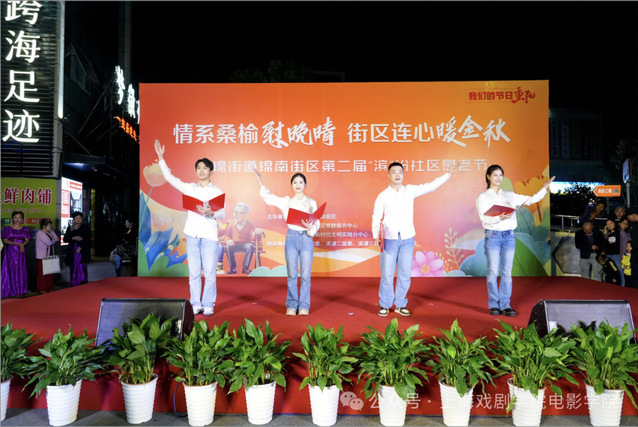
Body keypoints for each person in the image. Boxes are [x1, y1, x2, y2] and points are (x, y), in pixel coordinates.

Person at [372, 162, 457, 317]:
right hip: (389, 239)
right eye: (394, 172)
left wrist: (448, 174)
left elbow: (431, 186)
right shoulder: (383, 195)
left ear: (403, 174)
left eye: (400, 172)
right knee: (387, 274)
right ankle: (385, 304)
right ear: (388, 175)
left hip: (407, 238)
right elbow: (376, 217)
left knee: (404, 274)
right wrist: (376, 235)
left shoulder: (410, 190)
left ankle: (400, 304)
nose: (397, 175)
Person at [155, 139, 225, 316]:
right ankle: (195, 303)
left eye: (205, 168)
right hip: (193, 235)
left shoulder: (217, 191)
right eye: (198, 168)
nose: (201, 171)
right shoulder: (189, 188)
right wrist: (161, 158)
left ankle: (208, 303)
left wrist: (210, 212)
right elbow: (170, 178)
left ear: (211, 171)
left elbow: (222, 214)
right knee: (194, 273)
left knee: (209, 273)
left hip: (209, 236)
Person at [476, 165, 554, 317]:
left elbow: (531, 200)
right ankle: (494, 304)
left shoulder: (509, 195)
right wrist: (499, 217)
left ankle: (505, 304)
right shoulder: (483, 197)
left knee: (507, 272)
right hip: (493, 236)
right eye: (495, 175)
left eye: (501, 175)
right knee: (492, 271)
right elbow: (483, 219)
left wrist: (544, 188)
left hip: (509, 236)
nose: (498, 178)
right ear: (488, 177)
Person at [253, 168, 320, 316]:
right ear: (291, 185)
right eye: (295, 182)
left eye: (301, 182)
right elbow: (268, 197)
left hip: (307, 238)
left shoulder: (311, 202)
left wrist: (311, 228)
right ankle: (291, 305)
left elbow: (316, 222)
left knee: (305, 275)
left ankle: (304, 305)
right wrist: (260, 179)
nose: (298, 185)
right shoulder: (286, 201)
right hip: (291, 238)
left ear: (305, 184)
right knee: (291, 274)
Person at [1, 211, 31, 298]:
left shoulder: (25, 229)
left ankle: (20, 289)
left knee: (20, 269)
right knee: (11, 269)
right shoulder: (7, 228)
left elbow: (27, 240)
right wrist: (17, 244)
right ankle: (11, 289)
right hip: (10, 251)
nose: (17, 219)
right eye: (15, 217)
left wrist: (22, 245)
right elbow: (5, 240)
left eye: (19, 217)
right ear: (12, 218)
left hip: (21, 251)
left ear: (22, 219)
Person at [221, 202, 256, 275]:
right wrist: (228, 240)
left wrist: (257, 233)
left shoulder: (249, 224)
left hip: (245, 244)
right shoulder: (231, 223)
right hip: (234, 244)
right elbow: (226, 236)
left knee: (250, 246)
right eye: (234, 212)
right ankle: (233, 268)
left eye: (238, 213)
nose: (235, 215)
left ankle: (245, 268)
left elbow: (254, 237)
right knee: (228, 247)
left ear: (246, 215)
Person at [63, 211, 91, 286]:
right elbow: (65, 239)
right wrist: (73, 238)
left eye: (80, 218)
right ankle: (74, 282)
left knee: (81, 266)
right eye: (76, 218)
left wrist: (80, 247)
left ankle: (82, 282)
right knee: (73, 267)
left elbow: (87, 240)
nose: (78, 219)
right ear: (74, 219)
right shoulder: (70, 228)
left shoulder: (85, 228)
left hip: (82, 251)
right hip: (72, 251)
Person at [35, 219, 59, 293]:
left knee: (50, 274)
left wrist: (52, 232)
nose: (50, 227)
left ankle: (49, 287)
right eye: (49, 225)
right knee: (43, 274)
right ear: (44, 226)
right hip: (42, 256)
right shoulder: (40, 233)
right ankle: (42, 288)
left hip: (49, 255)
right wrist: (53, 240)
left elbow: (57, 239)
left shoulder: (48, 233)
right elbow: (49, 242)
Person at [602, 219, 623, 286]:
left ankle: (622, 286)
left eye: (611, 223)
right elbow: (604, 243)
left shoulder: (619, 232)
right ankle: (609, 286)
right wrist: (605, 234)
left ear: (615, 224)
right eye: (607, 224)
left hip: (617, 254)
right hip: (608, 254)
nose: (609, 225)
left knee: (619, 270)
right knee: (608, 270)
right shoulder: (607, 234)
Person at [627, 207, 638, 288]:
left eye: (628, 216)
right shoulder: (632, 224)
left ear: (633, 215)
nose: (628, 218)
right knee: (634, 271)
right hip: (634, 251)